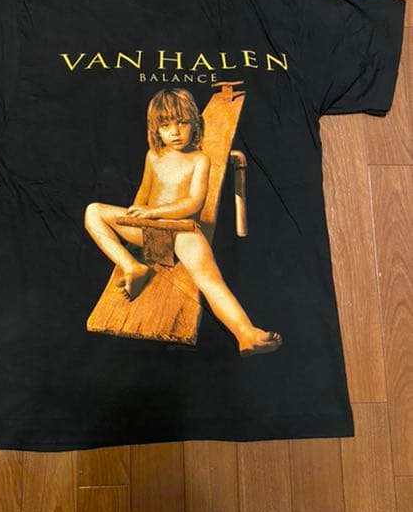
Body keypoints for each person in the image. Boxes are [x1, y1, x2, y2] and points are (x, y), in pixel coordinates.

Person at [84, 88, 282, 357]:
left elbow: (194, 203)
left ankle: (245, 334)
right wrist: (135, 214)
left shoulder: (200, 160)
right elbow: (143, 193)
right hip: (150, 232)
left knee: (210, 280)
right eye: (165, 125)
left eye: (182, 123)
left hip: (183, 234)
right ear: (156, 129)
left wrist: (153, 213)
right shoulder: (153, 156)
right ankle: (132, 267)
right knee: (93, 212)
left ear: (195, 124)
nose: (175, 132)